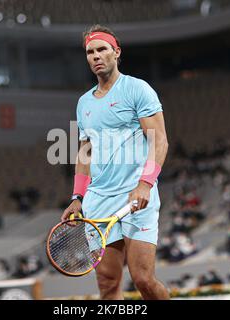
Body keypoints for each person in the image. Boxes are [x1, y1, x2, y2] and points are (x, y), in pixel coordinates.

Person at [61, 24, 170, 300]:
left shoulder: (137, 89)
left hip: (136, 196)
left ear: (116, 52)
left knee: (143, 279)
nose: (95, 56)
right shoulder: (83, 102)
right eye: (90, 52)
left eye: (102, 49)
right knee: (108, 285)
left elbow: (160, 141)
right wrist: (77, 197)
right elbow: (85, 152)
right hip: (98, 201)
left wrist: (145, 183)